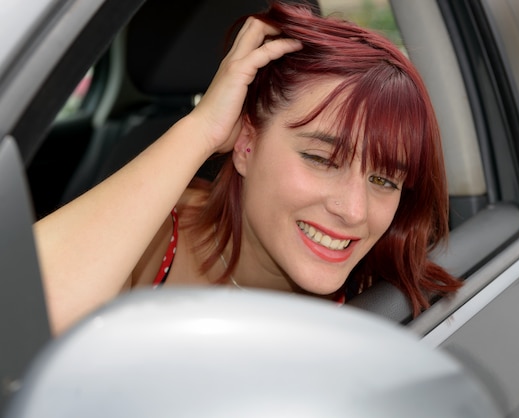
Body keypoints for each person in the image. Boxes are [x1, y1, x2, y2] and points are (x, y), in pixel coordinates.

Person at [34, 1, 461, 335]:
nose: (353, 211)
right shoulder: (154, 233)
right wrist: (200, 130)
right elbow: (21, 315)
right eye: (320, 158)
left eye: (384, 179)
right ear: (245, 143)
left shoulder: (384, 294)